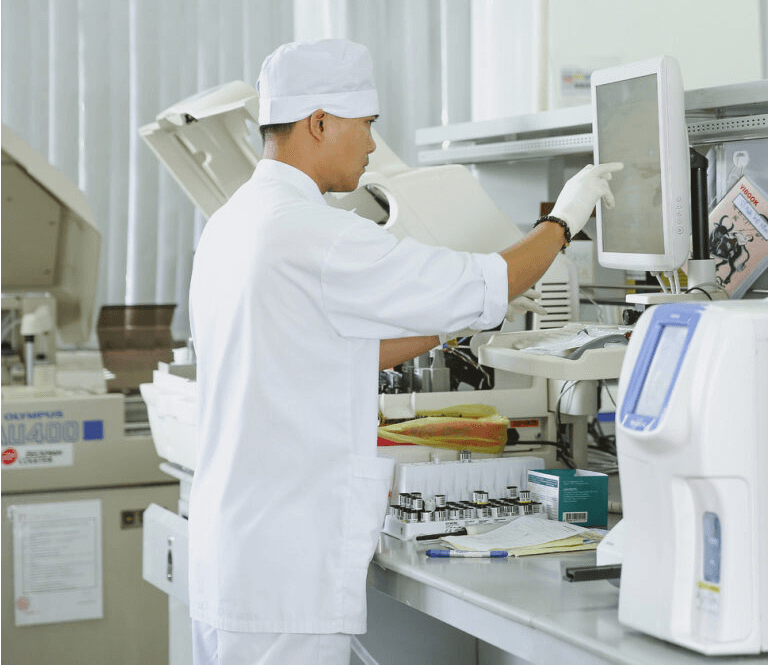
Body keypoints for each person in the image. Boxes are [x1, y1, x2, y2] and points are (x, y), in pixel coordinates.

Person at [185, 39, 620, 665]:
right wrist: (564, 221)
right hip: (286, 571)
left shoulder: (233, 222)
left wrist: (450, 326)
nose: (369, 145)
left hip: (240, 554)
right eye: (366, 125)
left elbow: (333, 350)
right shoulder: (314, 233)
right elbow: (488, 279)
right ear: (319, 123)